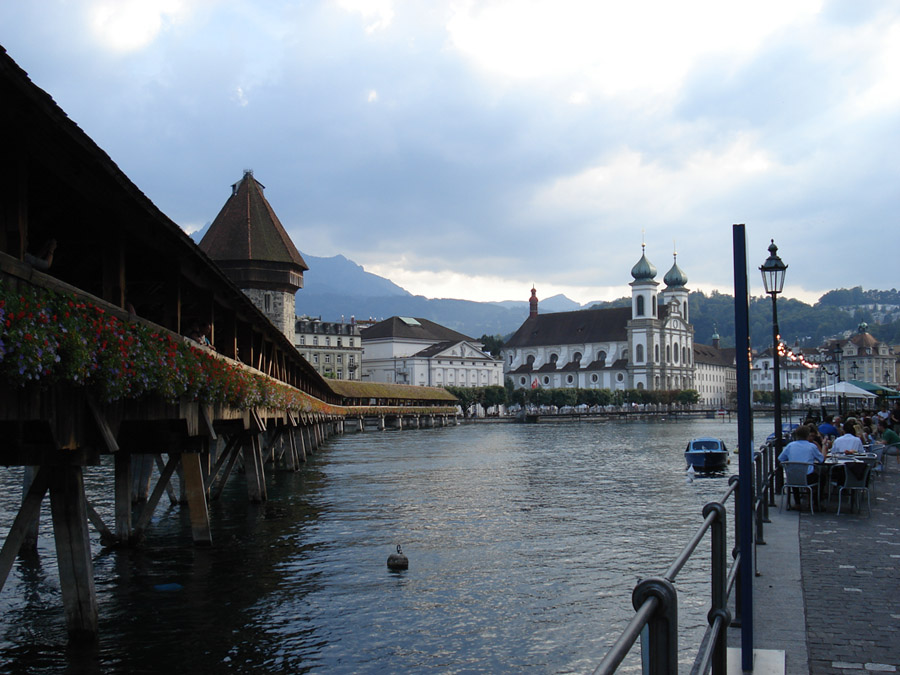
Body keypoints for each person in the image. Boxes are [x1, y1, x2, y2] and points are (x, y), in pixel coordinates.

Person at [778, 425, 824, 509]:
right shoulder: (812, 446)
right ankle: (815, 502)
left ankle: (797, 502)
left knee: (795, 473)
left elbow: (781, 459)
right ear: (807, 435)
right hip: (808, 477)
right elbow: (821, 459)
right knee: (821, 477)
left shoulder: (790, 445)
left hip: (792, 476)